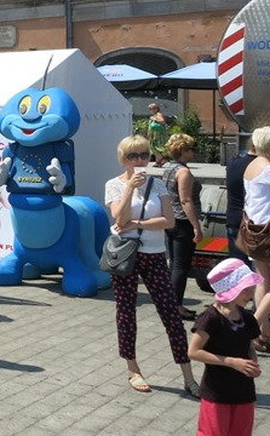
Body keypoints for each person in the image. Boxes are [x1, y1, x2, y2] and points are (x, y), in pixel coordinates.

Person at [105, 135, 199, 396]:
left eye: (143, 155)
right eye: (133, 156)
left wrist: (137, 225)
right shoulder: (113, 185)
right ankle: (133, 368)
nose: (139, 161)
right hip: (126, 255)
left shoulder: (157, 184)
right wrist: (129, 190)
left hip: (154, 254)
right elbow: (118, 217)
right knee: (126, 312)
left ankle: (188, 375)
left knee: (170, 313)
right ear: (123, 159)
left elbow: (168, 221)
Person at [188, 258, 263, 436]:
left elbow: (248, 346)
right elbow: (193, 352)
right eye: (245, 290)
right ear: (229, 289)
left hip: (243, 391)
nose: (250, 294)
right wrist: (231, 362)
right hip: (217, 392)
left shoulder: (247, 318)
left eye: (251, 289)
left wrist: (252, 361)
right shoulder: (211, 318)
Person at [164, 133, 203, 320]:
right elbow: (185, 200)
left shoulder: (168, 168)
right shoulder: (184, 172)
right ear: (184, 151)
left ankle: (171, 304)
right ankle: (176, 307)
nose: (194, 152)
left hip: (171, 221)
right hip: (183, 222)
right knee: (181, 266)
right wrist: (196, 226)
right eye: (191, 149)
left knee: (173, 264)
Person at [241, 126, 270, 352]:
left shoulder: (252, 165)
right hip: (267, 232)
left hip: (254, 230)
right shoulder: (268, 168)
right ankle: (252, 331)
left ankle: (263, 334)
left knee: (263, 281)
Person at [226, 140, 257, 262]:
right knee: (260, 272)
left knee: (238, 267)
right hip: (256, 226)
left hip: (234, 219)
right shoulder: (262, 167)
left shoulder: (233, 162)